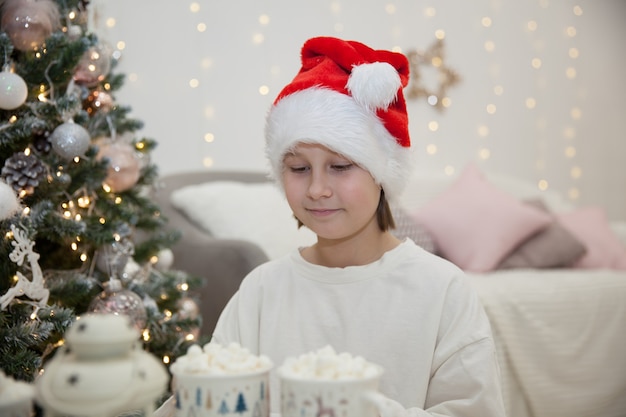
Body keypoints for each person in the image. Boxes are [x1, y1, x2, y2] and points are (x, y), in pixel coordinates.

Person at [157, 36, 505, 417]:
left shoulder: (443, 291)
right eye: (299, 168)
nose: (318, 189)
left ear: (381, 174)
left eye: (340, 167)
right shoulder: (261, 290)